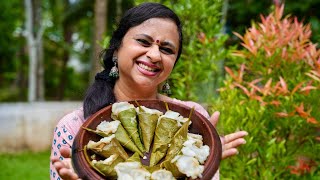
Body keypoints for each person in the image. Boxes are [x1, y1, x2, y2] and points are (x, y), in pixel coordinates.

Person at [50, 2, 248, 180]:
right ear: (116, 49)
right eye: (144, 42)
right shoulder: (75, 128)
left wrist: (202, 169)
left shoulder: (191, 121)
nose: (154, 55)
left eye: (167, 50)